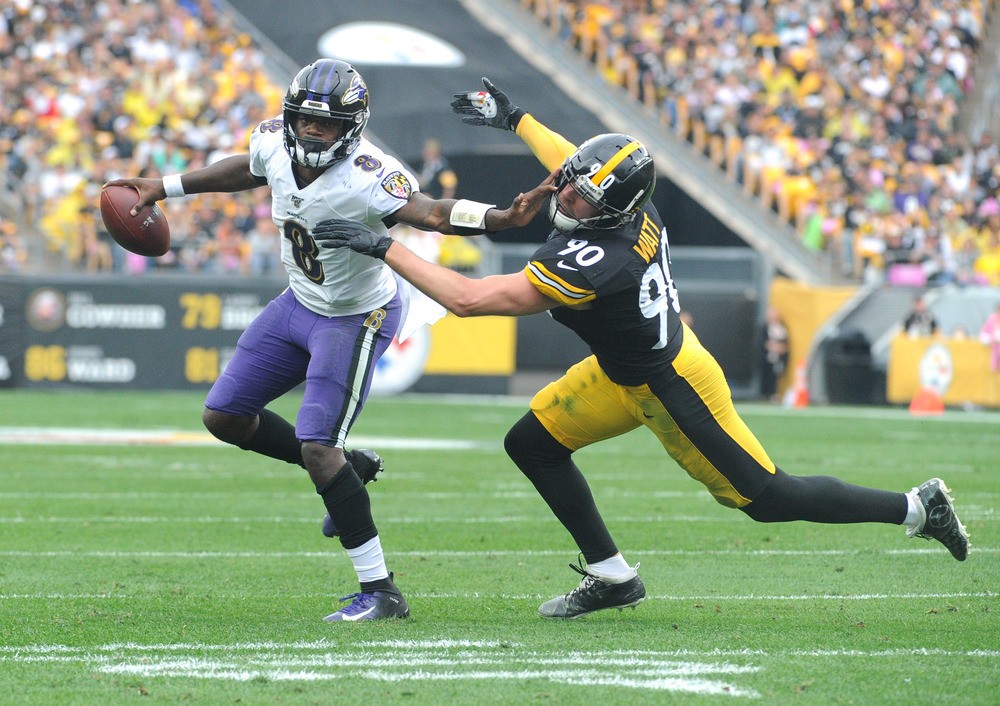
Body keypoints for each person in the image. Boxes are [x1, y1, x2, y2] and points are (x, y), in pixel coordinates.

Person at [313, 77, 971, 619]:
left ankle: (917, 508)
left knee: (766, 497)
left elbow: (470, 299)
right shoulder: (626, 208)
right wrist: (516, 119)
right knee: (532, 444)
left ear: (608, 211)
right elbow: (571, 157)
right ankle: (612, 576)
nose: (565, 195)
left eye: (580, 195)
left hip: (670, 385)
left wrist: (382, 244)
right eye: (569, 186)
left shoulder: (597, 259)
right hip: (621, 370)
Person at [104, 60, 549, 622]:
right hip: (299, 303)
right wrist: (163, 187)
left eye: (327, 124)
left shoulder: (369, 173)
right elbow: (249, 168)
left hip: (356, 315)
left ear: (353, 126)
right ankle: (350, 468)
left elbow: (431, 212)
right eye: (305, 121)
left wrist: (500, 219)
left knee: (318, 446)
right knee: (224, 416)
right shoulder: (273, 141)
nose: (313, 132)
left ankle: (382, 590)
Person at [760, 305, 789, 401]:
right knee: (767, 376)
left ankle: (774, 394)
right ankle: (767, 394)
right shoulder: (765, 328)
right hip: (767, 359)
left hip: (778, 359)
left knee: (776, 376)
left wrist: (778, 348)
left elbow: (785, 345)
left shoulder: (781, 329)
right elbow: (763, 343)